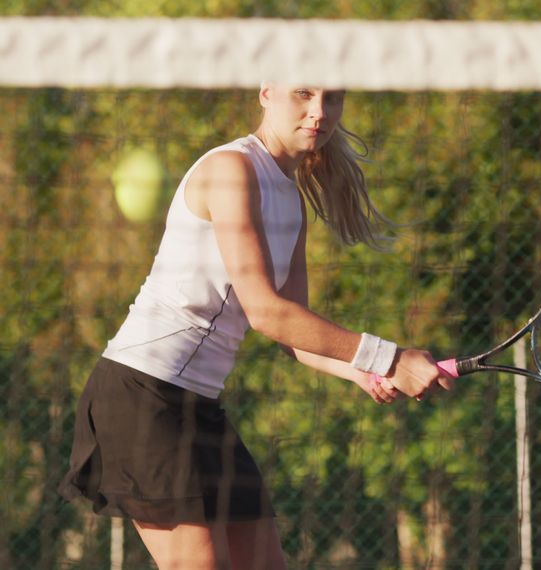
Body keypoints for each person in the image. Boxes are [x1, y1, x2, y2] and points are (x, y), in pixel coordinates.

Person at [58, 84, 452, 569]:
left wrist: (365, 374)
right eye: (304, 94)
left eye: (333, 98)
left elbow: (295, 336)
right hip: (141, 397)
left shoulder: (291, 201)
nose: (319, 112)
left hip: (199, 409)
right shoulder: (231, 170)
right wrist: (390, 357)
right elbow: (267, 313)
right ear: (267, 93)